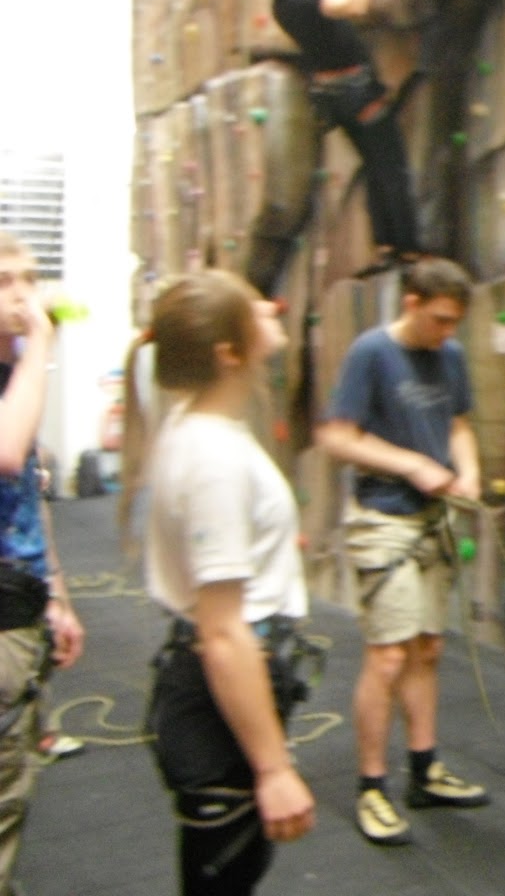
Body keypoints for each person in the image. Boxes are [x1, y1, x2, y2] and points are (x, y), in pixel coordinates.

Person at [141, 271, 316, 894]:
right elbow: (221, 633)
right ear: (227, 354)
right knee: (224, 875)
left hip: (218, 682)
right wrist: (274, 770)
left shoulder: (195, 423)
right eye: (254, 309)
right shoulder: (213, 458)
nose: (271, 307)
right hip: (222, 685)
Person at [316, 257, 488, 846]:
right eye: (439, 319)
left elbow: (458, 423)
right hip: (383, 518)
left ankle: (424, 769)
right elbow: (336, 436)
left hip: (434, 519)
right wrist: (412, 463)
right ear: (411, 303)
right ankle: (371, 786)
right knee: (387, 656)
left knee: (428, 649)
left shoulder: (451, 354)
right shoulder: (371, 352)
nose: (447, 332)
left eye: (455, 322)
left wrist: (468, 471)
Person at [255, 0, 420, 276]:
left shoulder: (281, 5)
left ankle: (386, 246)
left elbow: (317, 5)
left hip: (333, 97)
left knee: (374, 165)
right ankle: (407, 249)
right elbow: (353, 5)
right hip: (358, 90)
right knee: (391, 164)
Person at [0, 233, 84, 892]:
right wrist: (42, 344)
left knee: (16, 777)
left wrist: (56, 594)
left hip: (21, 601)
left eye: (30, 279)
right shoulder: (24, 372)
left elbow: (27, 495)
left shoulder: (15, 375)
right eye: (5, 282)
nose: (24, 295)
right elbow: (4, 453)